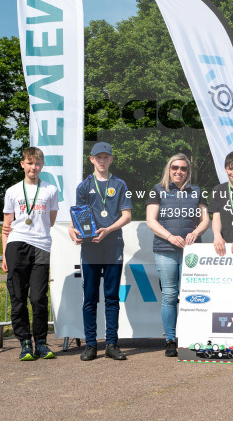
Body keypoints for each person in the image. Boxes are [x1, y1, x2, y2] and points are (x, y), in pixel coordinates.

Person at [71, 142, 133, 361]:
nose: (102, 161)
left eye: (106, 157)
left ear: (111, 159)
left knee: (111, 297)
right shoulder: (83, 186)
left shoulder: (120, 184)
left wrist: (108, 230)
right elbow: (77, 216)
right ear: (92, 160)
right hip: (90, 247)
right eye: (99, 157)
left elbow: (127, 216)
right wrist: (74, 231)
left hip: (113, 244)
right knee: (89, 297)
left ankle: (111, 344)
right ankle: (90, 344)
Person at [145, 153, 209, 357]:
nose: (179, 171)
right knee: (170, 295)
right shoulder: (158, 190)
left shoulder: (197, 191)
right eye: (175, 168)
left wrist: (196, 232)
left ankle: (191, 338)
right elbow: (151, 221)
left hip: (192, 250)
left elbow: (205, 220)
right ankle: (171, 340)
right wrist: (170, 237)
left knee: (192, 296)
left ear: (188, 171)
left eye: (183, 168)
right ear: (169, 169)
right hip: (166, 249)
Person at [1, 146, 59, 361]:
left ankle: (41, 342)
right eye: (30, 162)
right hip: (17, 245)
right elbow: (6, 226)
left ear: (42, 166)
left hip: (41, 246)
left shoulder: (51, 190)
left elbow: (51, 221)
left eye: (37, 163)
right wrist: (4, 255)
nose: (33, 167)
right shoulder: (13, 191)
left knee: (38, 298)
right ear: (22, 164)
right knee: (18, 297)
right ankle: (25, 342)